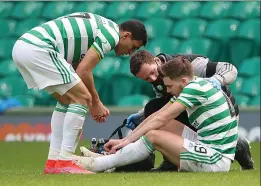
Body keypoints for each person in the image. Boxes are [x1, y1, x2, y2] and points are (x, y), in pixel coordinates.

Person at [12, 12, 147, 174]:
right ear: (126, 35)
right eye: (134, 47)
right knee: (82, 98)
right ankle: (65, 161)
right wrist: (95, 103)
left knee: (67, 101)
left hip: (23, 47)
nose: (131, 53)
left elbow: (77, 69)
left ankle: (54, 161)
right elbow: (84, 70)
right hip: (40, 48)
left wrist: (89, 102)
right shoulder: (111, 34)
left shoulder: (102, 26)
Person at [75, 56, 238, 173]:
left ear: (182, 81)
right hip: (210, 147)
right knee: (159, 122)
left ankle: (98, 165)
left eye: (169, 85)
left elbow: (162, 117)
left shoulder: (193, 89)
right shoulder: (195, 83)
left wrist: (128, 141)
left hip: (215, 160)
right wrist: (125, 140)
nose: (167, 90)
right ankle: (107, 159)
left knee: (153, 136)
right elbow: (158, 115)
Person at [126, 50, 253, 171]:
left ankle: (237, 145)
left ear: (156, 60)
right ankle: (171, 159)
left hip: (224, 116)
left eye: (152, 72)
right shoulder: (159, 78)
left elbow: (230, 68)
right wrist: (141, 115)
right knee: (152, 108)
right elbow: (165, 105)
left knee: (153, 109)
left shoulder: (189, 64)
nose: (153, 79)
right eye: (147, 79)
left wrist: (217, 80)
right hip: (198, 115)